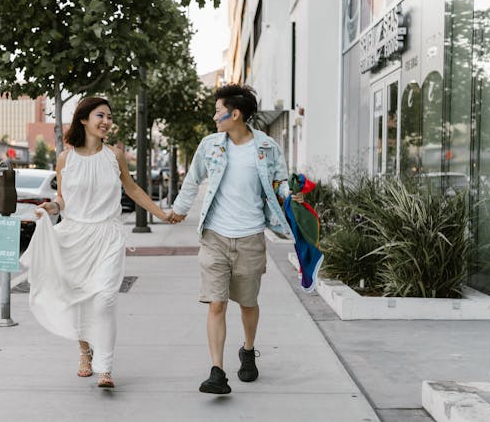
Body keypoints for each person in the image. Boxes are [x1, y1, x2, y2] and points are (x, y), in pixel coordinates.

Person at [19, 96, 170, 389]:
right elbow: (62, 199)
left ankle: (106, 368)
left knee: (104, 299)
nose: (107, 121)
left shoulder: (115, 156)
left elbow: (133, 189)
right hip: (75, 236)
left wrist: (161, 213)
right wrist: (50, 208)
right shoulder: (65, 157)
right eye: (101, 115)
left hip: (107, 236)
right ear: (84, 119)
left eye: (110, 117)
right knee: (81, 299)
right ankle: (84, 351)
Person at [169, 84, 295, 395]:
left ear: (235, 114)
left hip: (251, 237)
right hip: (215, 236)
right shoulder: (210, 145)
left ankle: (248, 350)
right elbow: (193, 180)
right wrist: (178, 211)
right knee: (216, 304)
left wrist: (294, 204)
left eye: (218, 111)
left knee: (248, 303)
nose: (214, 117)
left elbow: (281, 186)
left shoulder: (266, 148)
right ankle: (217, 371)